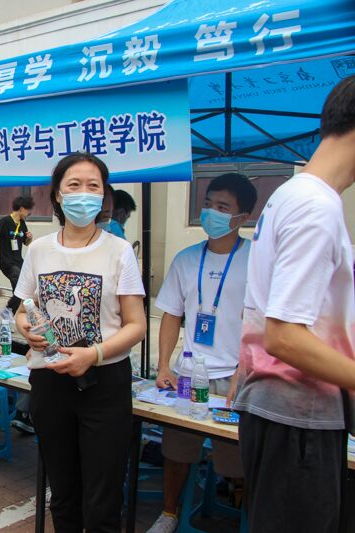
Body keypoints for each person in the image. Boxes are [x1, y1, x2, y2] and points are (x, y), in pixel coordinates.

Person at [234, 76, 355, 533]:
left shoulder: (293, 194)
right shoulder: (315, 206)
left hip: (289, 415)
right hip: (297, 416)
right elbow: (284, 336)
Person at [15, 152, 146, 531]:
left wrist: (94, 354)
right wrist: (26, 329)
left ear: (104, 195)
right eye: (74, 185)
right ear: (58, 194)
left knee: (103, 500)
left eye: (93, 186)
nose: (83, 194)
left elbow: (136, 325)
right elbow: (23, 308)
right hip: (50, 380)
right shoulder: (39, 249)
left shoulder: (118, 250)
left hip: (104, 384)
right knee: (63, 494)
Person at [147, 173, 257, 533]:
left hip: (235, 378)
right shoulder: (186, 259)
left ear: (243, 217)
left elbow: (262, 324)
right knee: (176, 449)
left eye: (223, 207)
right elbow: (171, 315)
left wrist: (245, 372)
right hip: (188, 374)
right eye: (208, 204)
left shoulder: (257, 261)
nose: (211, 212)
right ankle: (169, 514)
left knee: (238, 459)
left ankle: (247, 517)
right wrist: (165, 365)